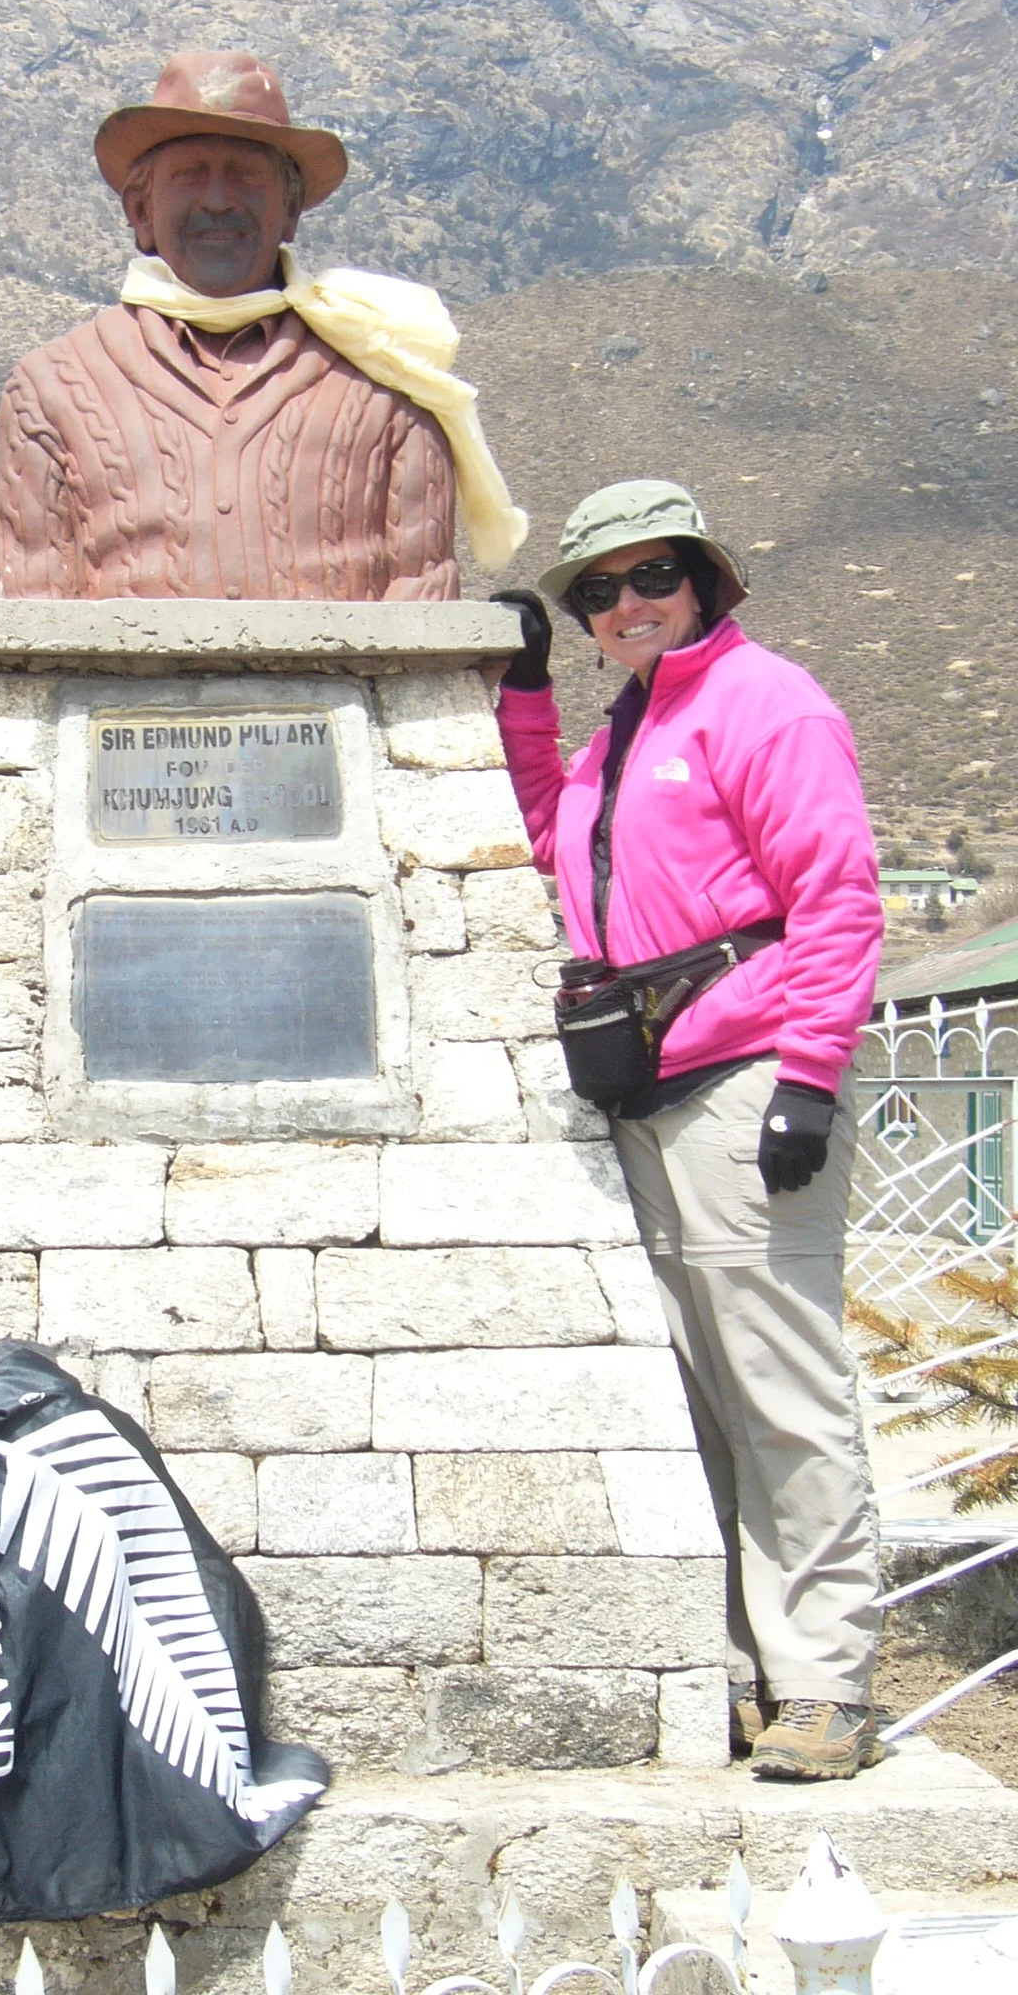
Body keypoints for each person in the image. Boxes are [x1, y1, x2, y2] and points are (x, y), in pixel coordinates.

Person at [490, 480, 886, 1781]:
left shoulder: (767, 705)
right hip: (648, 1094)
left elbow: (836, 896)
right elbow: (554, 845)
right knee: (694, 1399)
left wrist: (808, 1080)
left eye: (652, 575)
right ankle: (731, 1673)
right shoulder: (628, 729)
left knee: (779, 1389)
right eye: (600, 590)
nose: (627, 604)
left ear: (705, 580)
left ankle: (823, 1682)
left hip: (745, 1083)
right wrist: (528, 703)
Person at [0, 49, 527, 600]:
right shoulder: (50, 388)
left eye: (246, 175)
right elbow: (32, 613)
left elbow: (423, 600)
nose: (218, 200)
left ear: (290, 210)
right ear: (141, 211)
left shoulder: (390, 376)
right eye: (189, 176)